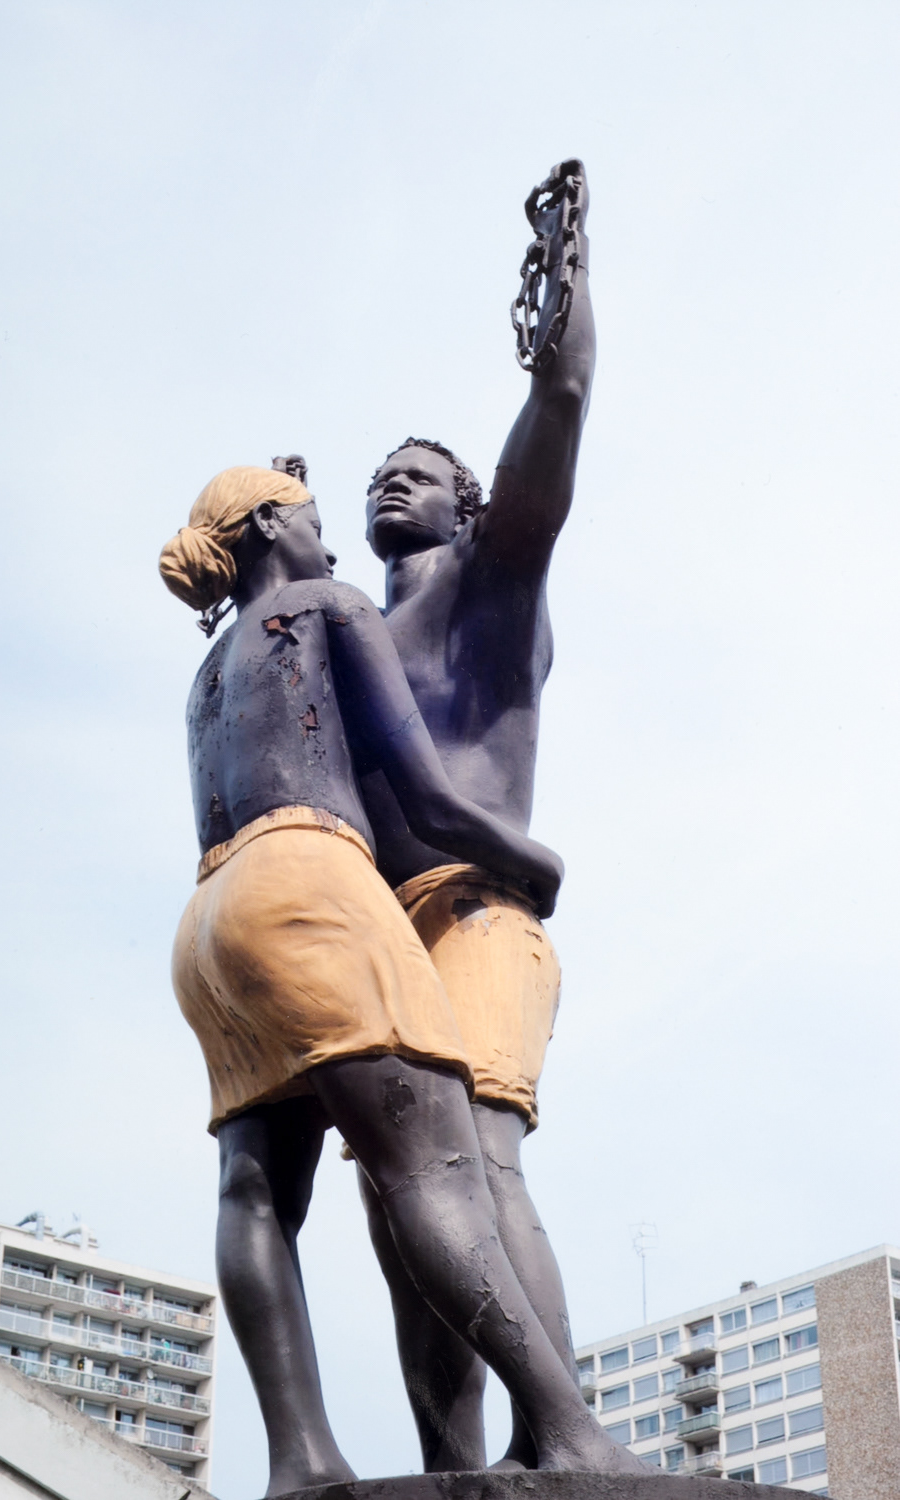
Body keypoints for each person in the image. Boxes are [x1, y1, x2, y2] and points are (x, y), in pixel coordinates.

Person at [159, 464, 636, 1496]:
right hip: (309, 883)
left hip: (207, 917)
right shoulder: (333, 605)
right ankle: (567, 1431)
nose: (333, 546)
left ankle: (299, 1460)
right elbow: (424, 794)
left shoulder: (206, 670)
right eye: (315, 522)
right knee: (435, 1167)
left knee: (254, 1187)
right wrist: (536, 862)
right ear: (273, 525)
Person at [357, 160, 600, 1470]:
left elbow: (556, 411)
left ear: (467, 503)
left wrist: (565, 284)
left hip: (477, 914)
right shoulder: (346, 635)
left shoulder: (489, 588)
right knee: (404, 1213)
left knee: (480, 1162)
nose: (392, 482)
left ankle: (557, 1446)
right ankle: (452, 1470)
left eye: (419, 472)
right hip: (376, 938)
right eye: (378, 474)